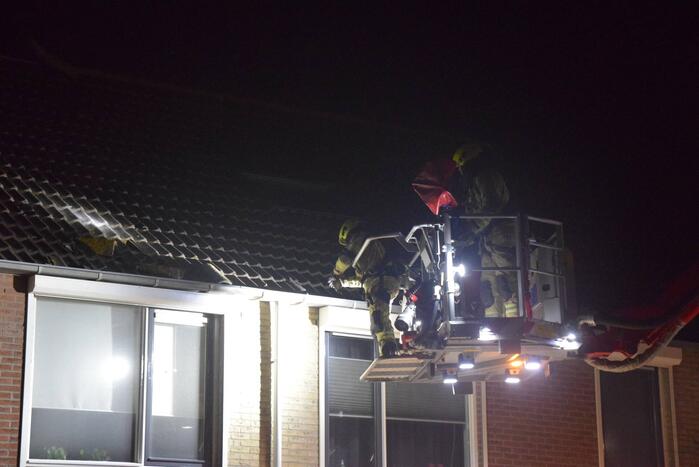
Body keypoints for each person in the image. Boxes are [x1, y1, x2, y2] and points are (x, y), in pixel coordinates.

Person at [453, 143, 518, 318]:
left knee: (508, 282)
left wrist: (471, 228)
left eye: (461, 165)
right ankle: (495, 324)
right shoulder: (475, 182)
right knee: (488, 287)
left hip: (501, 232)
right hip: (487, 238)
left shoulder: (486, 176)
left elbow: (492, 205)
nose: (460, 170)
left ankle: (517, 324)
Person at [329, 219, 408, 357]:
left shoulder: (359, 240)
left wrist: (336, 274)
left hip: (380, 283)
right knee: (378, 317)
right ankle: (386, 347)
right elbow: (362, 281)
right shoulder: (366, 253)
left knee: (379, 317)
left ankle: (389, 348)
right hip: (382, 282)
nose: (348, 245)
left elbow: (345, 260)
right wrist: (342, 283)